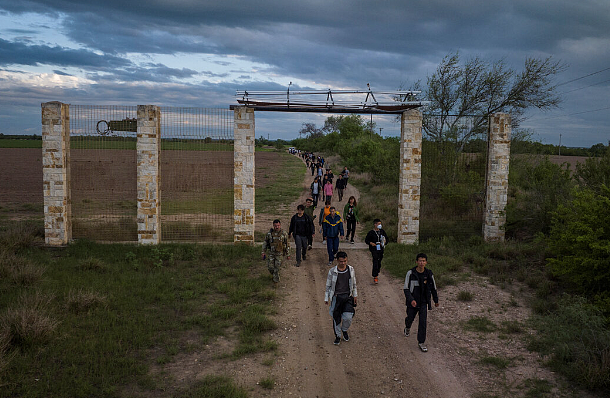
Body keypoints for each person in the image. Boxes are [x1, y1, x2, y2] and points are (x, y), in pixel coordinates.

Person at [403, 253, 439, 352]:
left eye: (423, 261)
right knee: (410, 317)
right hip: (412, 303)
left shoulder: (429, 274)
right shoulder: (410, 273)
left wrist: (436, 300)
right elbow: (406, 289)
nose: (421, 263)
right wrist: (411, 300)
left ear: (426, 262)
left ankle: (421, 342)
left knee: (422, 322)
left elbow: (433, 288)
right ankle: (407, 327)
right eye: (420, 261)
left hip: (423, 302)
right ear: (416, 262)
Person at [324, 251, 358, 345]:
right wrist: (326, 298)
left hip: (347, 297)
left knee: (348, 317)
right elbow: (328, 285)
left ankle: (344, 330)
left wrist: (355, 295)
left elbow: (354, 283)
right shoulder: (332, 271)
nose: (343, 263)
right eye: (341, 261)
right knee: (336, 318)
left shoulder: (351, 270)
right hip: (336, 297)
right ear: (337, 261)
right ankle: (338, 336)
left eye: (344, 261)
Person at [364, 219, 389, 284]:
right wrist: (371, 243)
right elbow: (366, 240)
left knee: (379, 261)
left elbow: (386, 239)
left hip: (380, 248)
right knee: (375, 260)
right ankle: (375, 276)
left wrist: (384, 242)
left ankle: (377, 270)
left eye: (380, 224)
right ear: (375, 224)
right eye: (378, 224)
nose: (380, 225)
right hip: (374, 249)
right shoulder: (371, 232)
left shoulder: (382, 231)